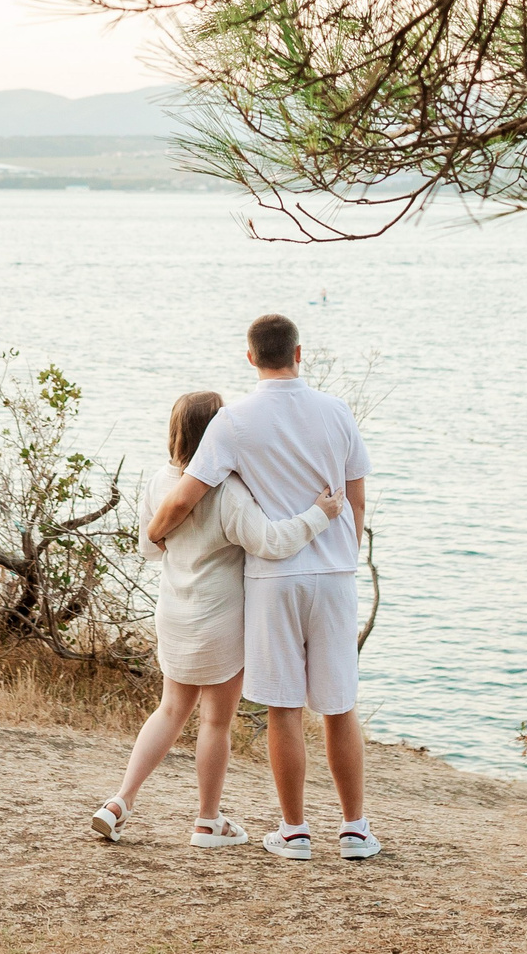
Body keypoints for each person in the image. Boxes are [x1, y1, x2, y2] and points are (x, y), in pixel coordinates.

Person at [146, 313, 377, 861]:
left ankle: (295, 832)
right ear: (300, 354)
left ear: (250, 358)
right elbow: (357, 498)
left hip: (275, 578)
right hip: (333, 574)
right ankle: (355, 831)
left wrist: (154, 536)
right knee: (339, 705)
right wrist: (344, 552)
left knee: (283, 707)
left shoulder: (232, 423)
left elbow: (184, 497)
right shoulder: (337, 412)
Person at [91, 390, 342, 847]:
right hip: (221, 619)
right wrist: (319, 516)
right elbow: (271, 542)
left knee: (169, 710)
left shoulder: (158, 483)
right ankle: (207, 821)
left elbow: (149, 548)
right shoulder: (227, 490)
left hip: (174, 613)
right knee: (214, 723)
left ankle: (119, 801)